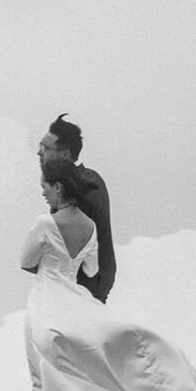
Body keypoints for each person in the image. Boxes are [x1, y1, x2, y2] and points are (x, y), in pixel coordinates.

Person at [20, 160, 196, 391]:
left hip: (46, 302)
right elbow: (91, 270)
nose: (43, 192)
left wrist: (50, 258)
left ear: (58, 187)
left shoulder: (45, 223)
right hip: (75, 299)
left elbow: (26, 261)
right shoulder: (89, 225)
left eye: (45, 185)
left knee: (46, 374)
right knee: (79, 364)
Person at [36, 114, 114, 302]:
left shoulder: (83, 184)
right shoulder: (84, 179)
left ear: (64, 153)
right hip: (82, 284)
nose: (39, 153)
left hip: (84, 287)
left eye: (45, 148)